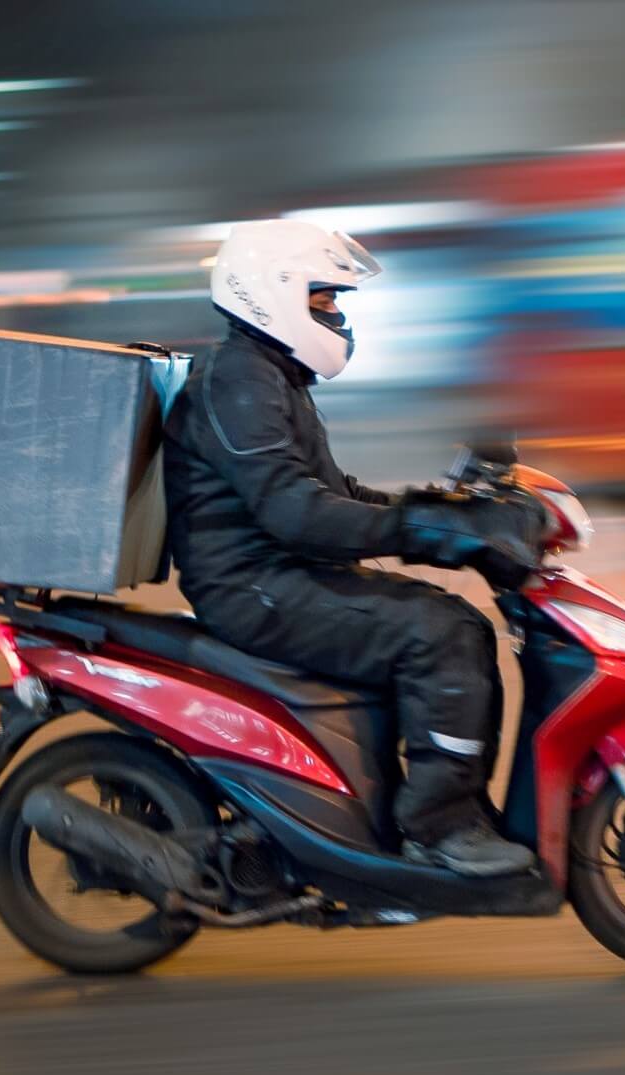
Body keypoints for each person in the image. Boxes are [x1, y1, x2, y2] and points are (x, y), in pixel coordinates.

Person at [161, 219, 546, 877]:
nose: (336, 315)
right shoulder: (241, 382)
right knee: (442, 632)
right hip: (255, 586)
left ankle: (422, 807)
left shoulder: (268, 377)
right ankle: (437, 826)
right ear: (272, 292)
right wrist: (423, 531)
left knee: (452, 626)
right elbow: (298, 514)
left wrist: (441, 514)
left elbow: (335, 495)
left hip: (276, 575)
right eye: (324, 299)